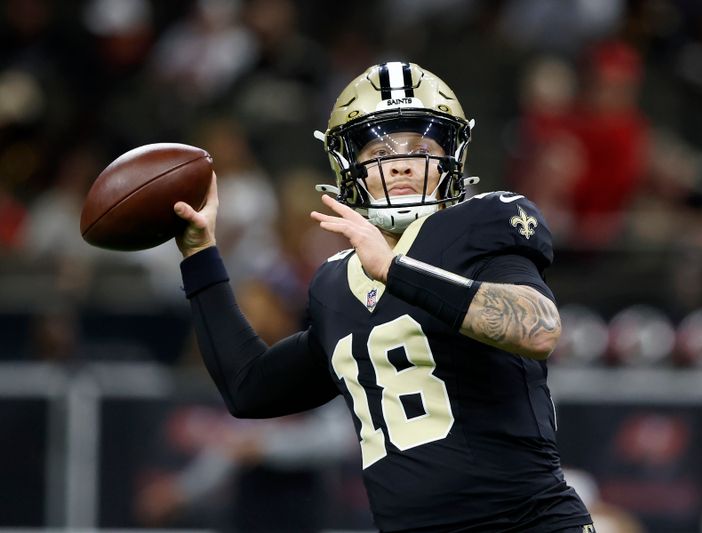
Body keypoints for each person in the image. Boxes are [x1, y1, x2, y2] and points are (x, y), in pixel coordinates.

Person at [173, 61, 594, 532]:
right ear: (347, 167)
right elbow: (249, 387)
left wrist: (395, 270)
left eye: (420, 146)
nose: (400, 162)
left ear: (452, 156)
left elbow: (538, 328)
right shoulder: (334, 284)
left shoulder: (483, 225)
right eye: (377, 149)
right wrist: (199, 254)